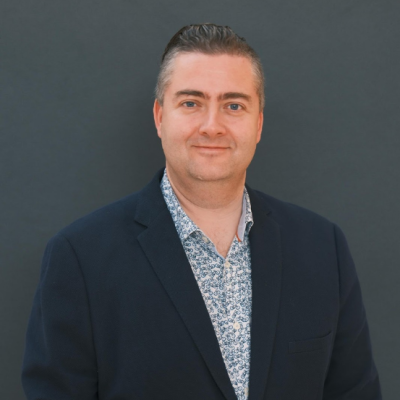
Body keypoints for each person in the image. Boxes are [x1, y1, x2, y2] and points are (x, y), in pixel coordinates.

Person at [21, 23, 382, 400]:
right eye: (191, 103)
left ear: (258, 124)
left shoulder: (323, 248)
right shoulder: (80, 259)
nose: (212, 127)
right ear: (160, 117)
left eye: (233, 105)